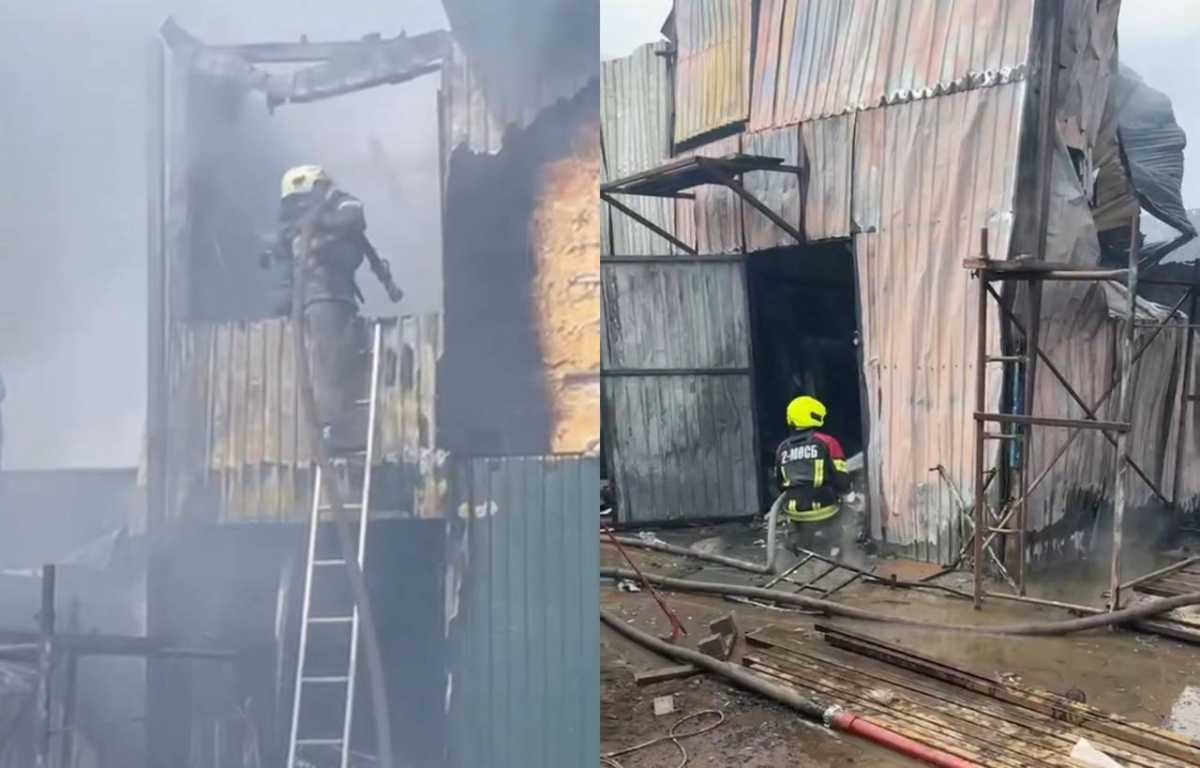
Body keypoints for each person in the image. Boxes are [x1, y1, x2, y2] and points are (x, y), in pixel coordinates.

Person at [262, 165, 404, 453]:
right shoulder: (296, 225)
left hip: (335, 298)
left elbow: (355, 215)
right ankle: (334, 432)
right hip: (322, 298)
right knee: (332, 365)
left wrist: (318, 221)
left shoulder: (338, 207)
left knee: (339, 360)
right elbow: (281, 252)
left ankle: (338, 429)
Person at [773, 395, 852, 556]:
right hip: (824, 508)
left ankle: (800, 551)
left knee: (800, 530)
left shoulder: (782, 448)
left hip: (795, 512)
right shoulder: (827, 442)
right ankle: (837, 550)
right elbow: (842, 481)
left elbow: (779, 484)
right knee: (849, 512)